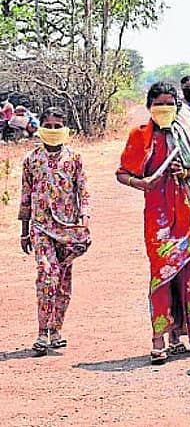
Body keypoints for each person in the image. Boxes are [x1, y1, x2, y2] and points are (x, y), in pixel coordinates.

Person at [116, 82, 190, 365]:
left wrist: (188, 172)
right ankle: (159, 338)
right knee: (161, 275)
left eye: (169, 103)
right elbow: (122, 173)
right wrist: (142, 182)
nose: (164, 108)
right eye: (159, 103)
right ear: (150, 105)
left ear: (177, 105)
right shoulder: (140, 136)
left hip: (187, 214)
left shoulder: (189, 131)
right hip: (158, 219)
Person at [18, 107, 91, 357]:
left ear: (65, 129)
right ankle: (41, 333)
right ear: (40, 128)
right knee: (46, 273)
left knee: (63, 280)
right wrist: (24, 231)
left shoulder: (75, 158)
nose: (52, 131)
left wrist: (84, 221)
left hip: (68, 229)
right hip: (40, 227)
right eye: (47, 126)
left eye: (56, 126)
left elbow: (83, 191)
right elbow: (26, 196)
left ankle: (56, 330)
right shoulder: (31, 160)